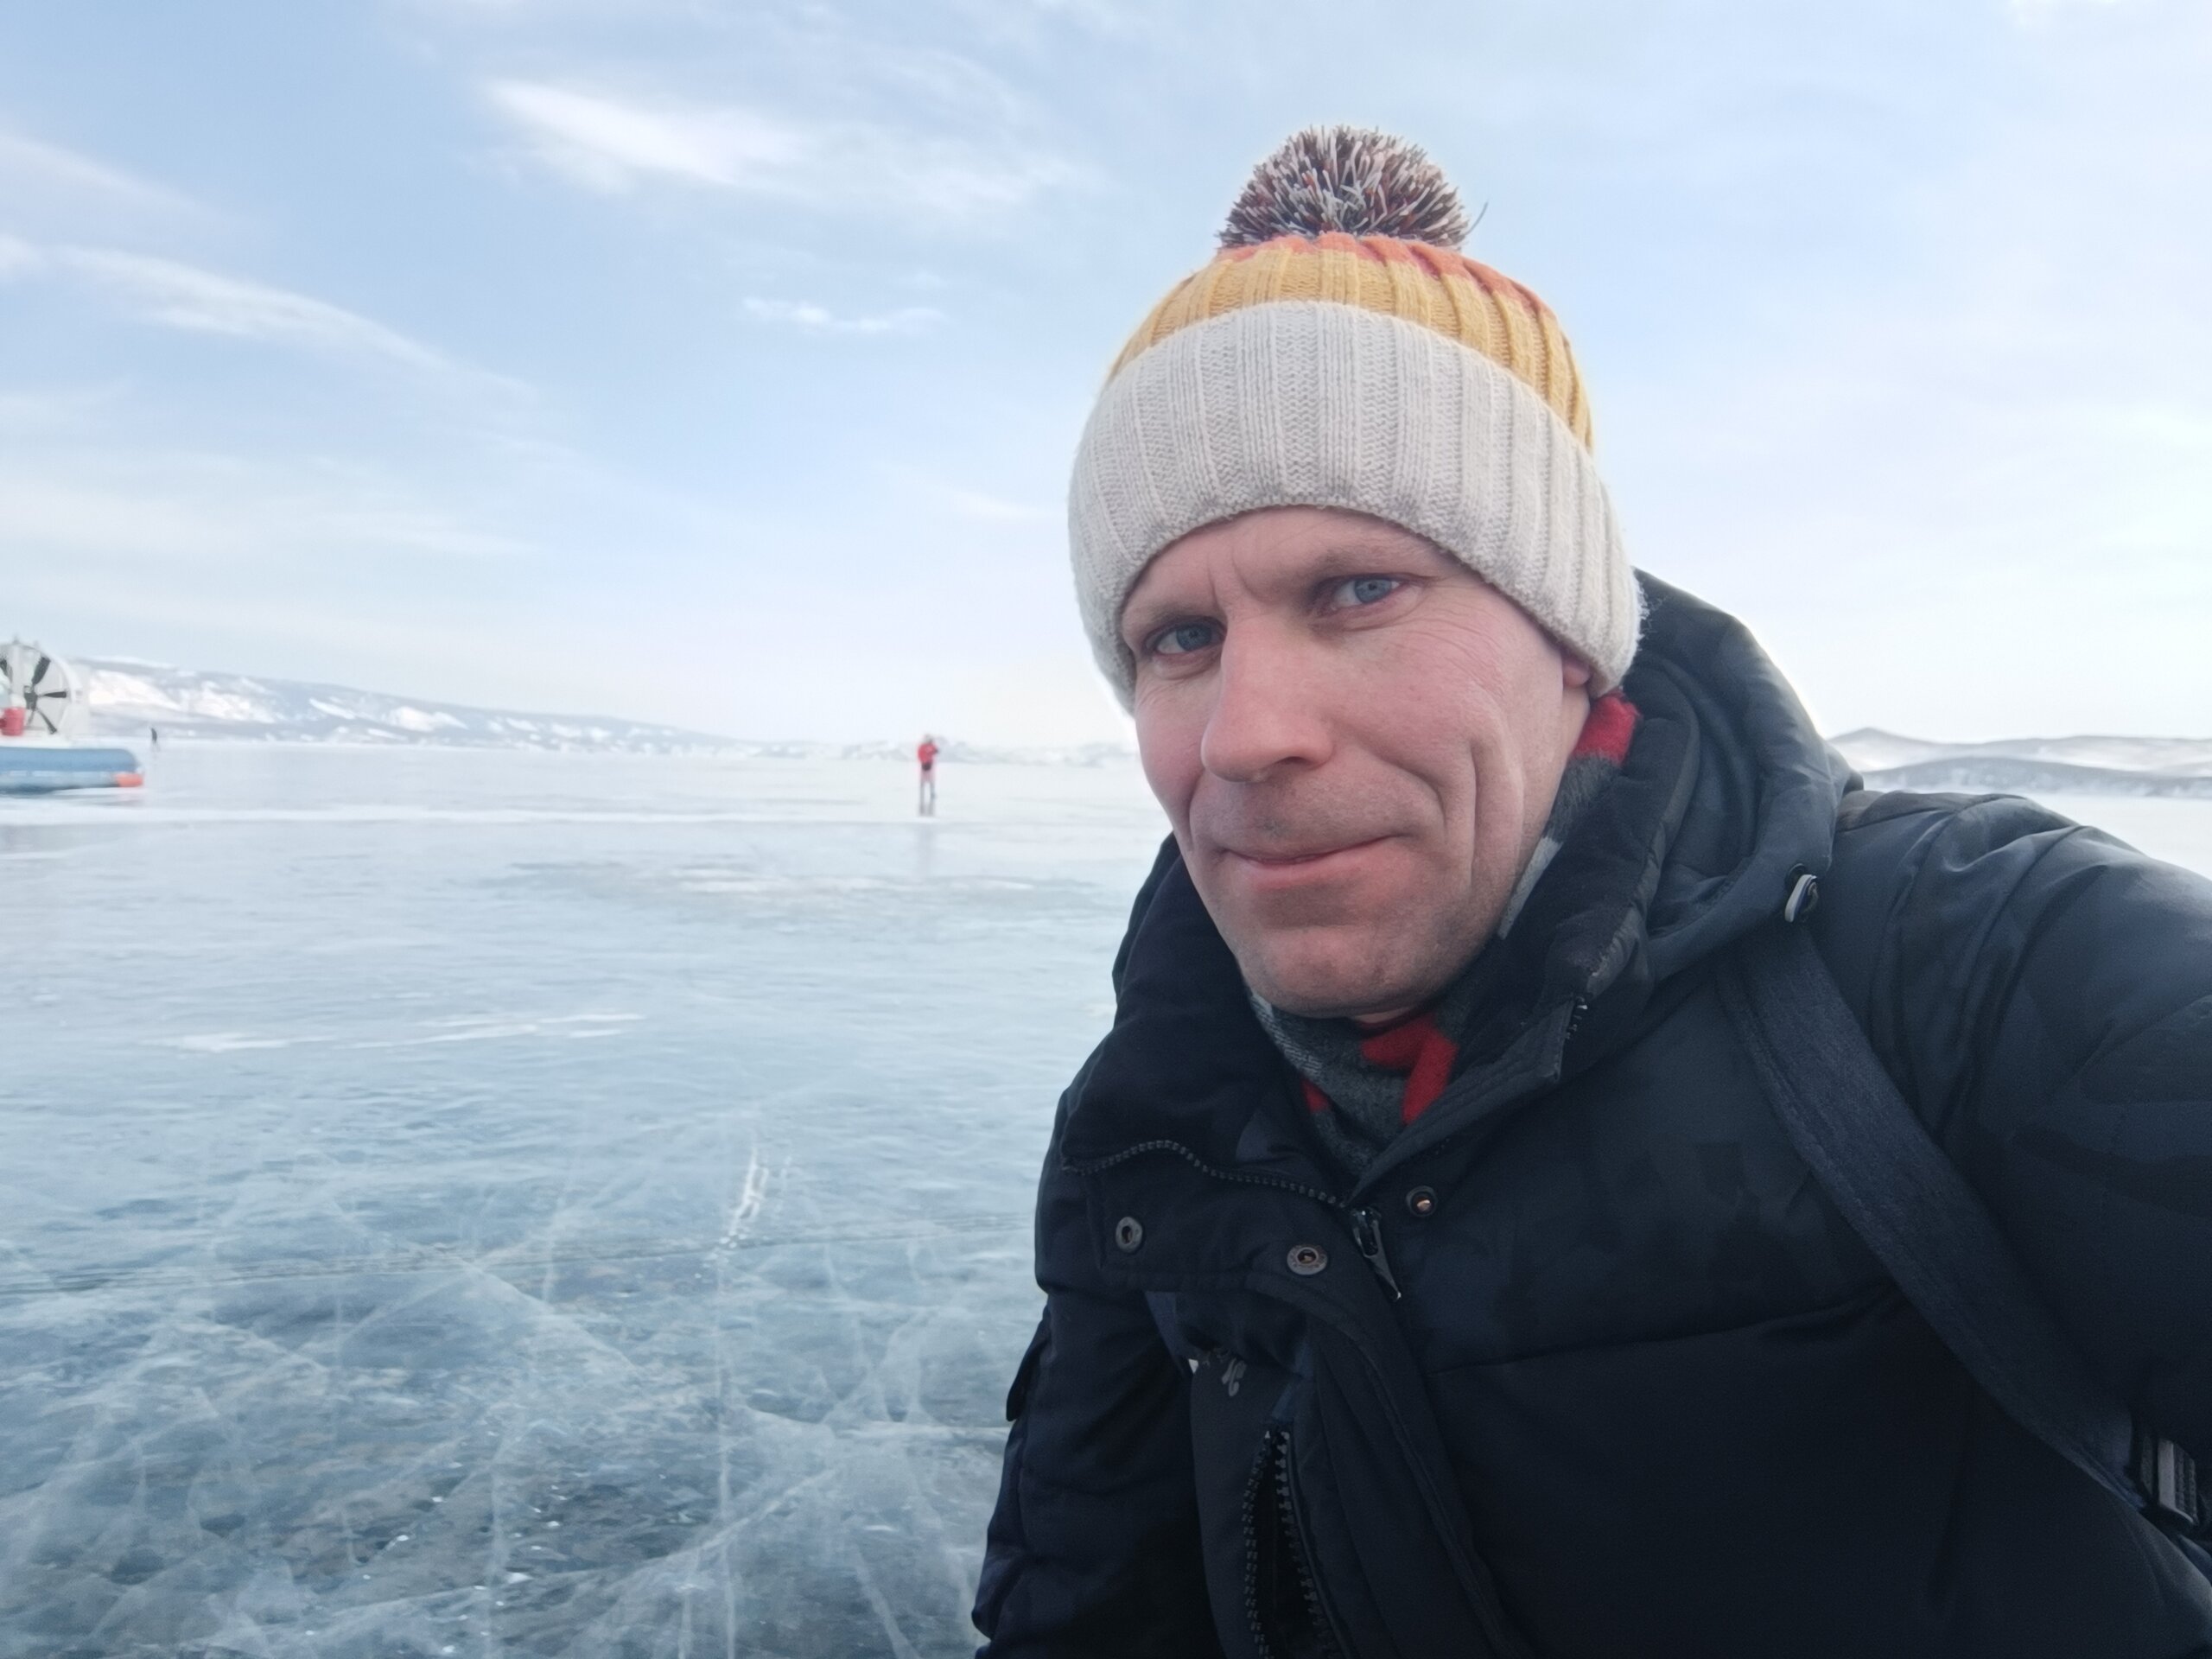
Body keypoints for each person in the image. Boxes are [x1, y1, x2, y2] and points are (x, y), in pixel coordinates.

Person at [973, 127, 2212, 1657]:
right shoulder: (1159, 1117)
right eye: (1179, 639)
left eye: (1358, 590)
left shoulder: (1975, 967)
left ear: (1568, 638)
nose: (1243, 735)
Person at [917, 733, 939, 817]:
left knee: (931, 780)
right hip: (924, 765)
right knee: (923, 780)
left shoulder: (931, 746)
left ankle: (932, 793)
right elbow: (920, 755)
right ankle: (922, 793)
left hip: (930, 765)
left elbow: (936, 750)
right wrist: (924, 762)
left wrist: (934, 752)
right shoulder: (922, 747)